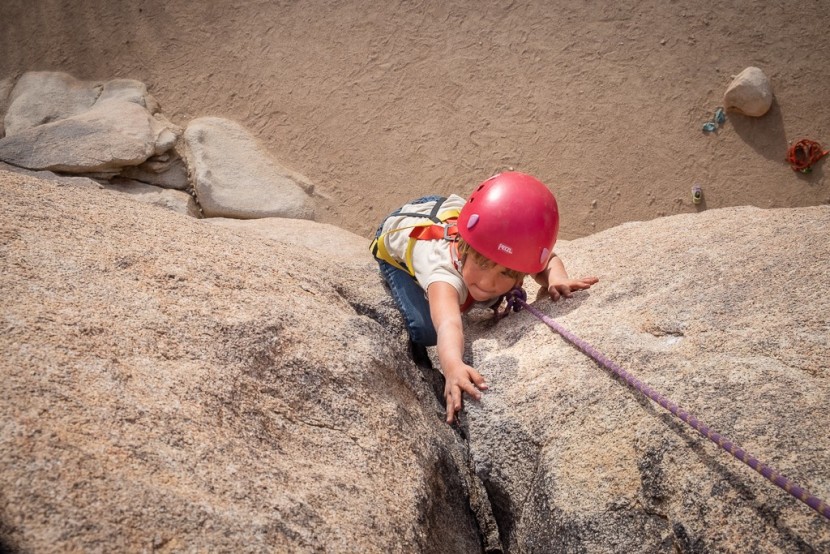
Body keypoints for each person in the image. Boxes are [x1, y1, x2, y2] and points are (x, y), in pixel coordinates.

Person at [371, 172, 598, 424]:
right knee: (426, 330)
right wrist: (453, 366)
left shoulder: (491, 243)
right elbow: (448, 324)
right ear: (464, 249)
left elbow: (546, 261)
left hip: (457, 212)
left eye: (505, 273)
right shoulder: (442, 272)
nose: (488, 283)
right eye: (482, 264)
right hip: (401, 229)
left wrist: (557, 278)